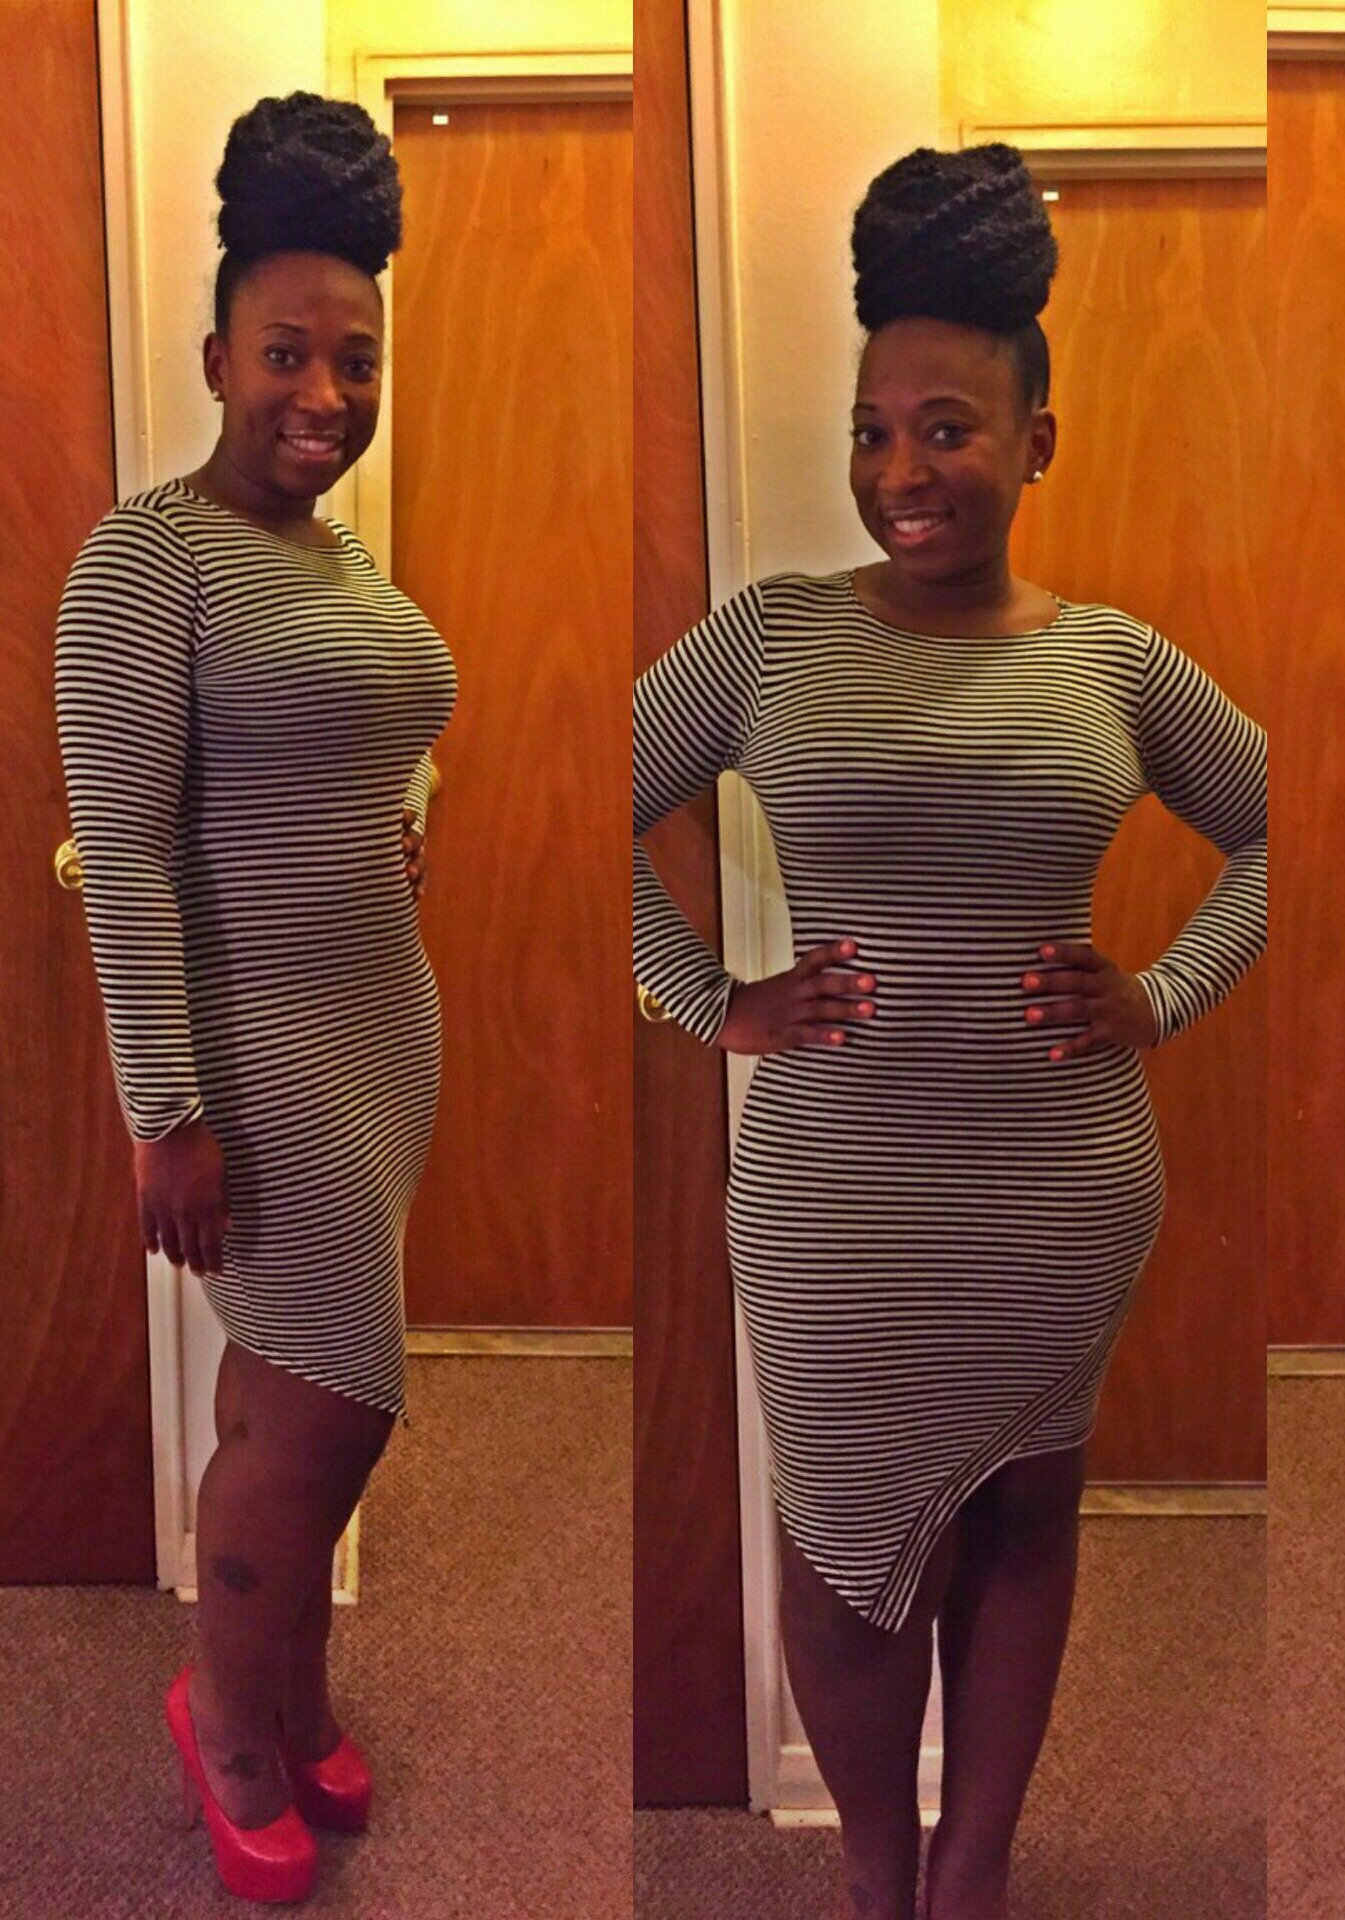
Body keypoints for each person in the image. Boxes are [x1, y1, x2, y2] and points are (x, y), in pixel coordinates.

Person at [633, 144, 1267, 1920]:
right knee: (843, 1558)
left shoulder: (1114, 663)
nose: (899, 472)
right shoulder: (767, 641)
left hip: (1056, 1190)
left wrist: (1162, 991)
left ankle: (974, 1871)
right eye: (871, 432)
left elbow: (1277, 835)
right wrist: (712, 999)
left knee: (1022, 1516)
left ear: (1037, 439)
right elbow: (575, 806)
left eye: (945, 429)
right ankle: (876, 1874)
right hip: (833, 1197)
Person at [55, 93, 454, 1904]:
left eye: (356, 360)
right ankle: (223, 1719)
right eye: (287, 352)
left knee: (281, 1404)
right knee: (327, 1412)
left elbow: (356, 737)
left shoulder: (338, 560)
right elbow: (129, 856)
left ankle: (286, 1694)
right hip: (261, 1062)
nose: (325, 393)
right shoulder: (144, 562)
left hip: (379, 1039)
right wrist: (167, 1115)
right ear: (216, 357)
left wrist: (398, 818)